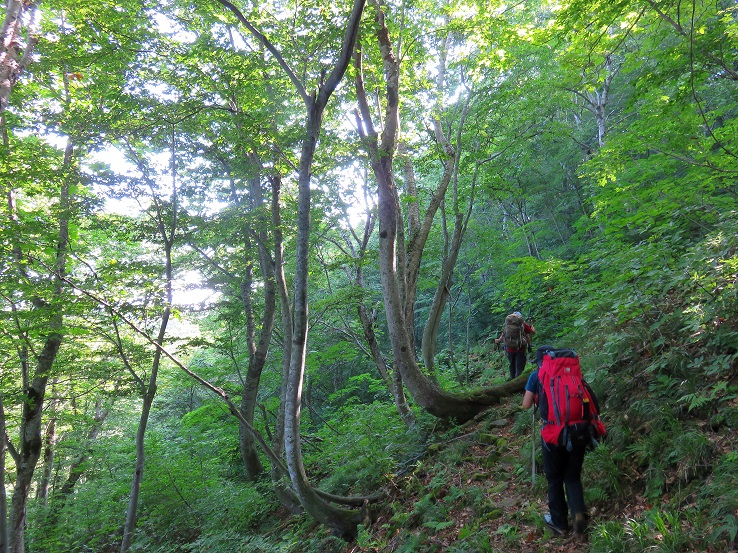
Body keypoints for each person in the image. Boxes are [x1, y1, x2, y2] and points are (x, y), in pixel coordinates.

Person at [522, 345, 588, 537]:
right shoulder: (572, 372)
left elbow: (526, 405)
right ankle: (579, 514)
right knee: (572, 476)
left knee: (554, 479)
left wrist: (537, 398)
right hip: (579, 429)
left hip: (553, 433)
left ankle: (559, 523)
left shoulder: (536, 376)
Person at [494, 311, 535, 380]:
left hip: (509, 349)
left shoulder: (507, 326)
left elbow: (503, 336)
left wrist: (498, 340)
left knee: (512, 365)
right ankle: (517, 382)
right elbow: (532, 333)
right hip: (520, 348)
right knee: (519, 366)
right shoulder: (523, 325)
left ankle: (512, 380)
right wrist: (532, 326)